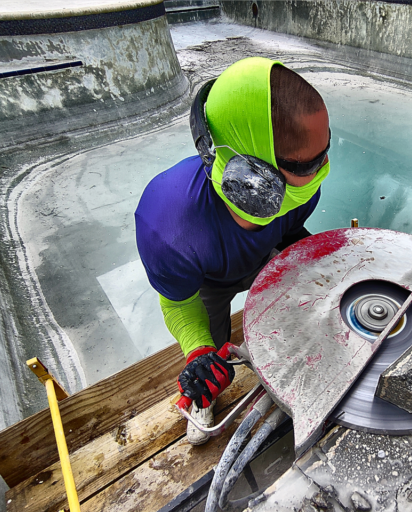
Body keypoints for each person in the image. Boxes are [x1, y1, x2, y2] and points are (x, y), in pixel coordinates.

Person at [135, 57, 331, 445]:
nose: (323, 169)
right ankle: (206, 396)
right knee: (212, 354)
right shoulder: (167, 227)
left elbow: (290, 228)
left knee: (313, 300)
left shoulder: (300, 191)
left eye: (324, 152)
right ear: (252, 178)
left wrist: (314, 270)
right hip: (207, 280)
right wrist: (198, 353)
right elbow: (177, 303)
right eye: (308, 163)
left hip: (266, 251)